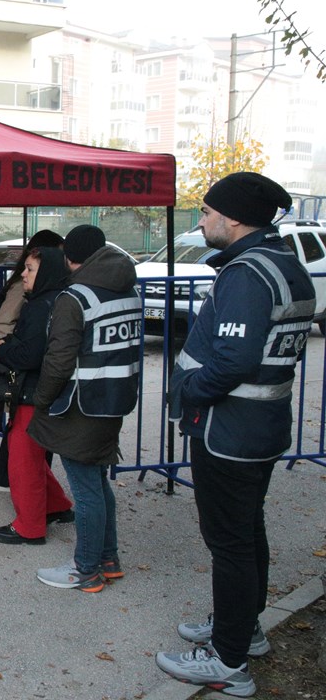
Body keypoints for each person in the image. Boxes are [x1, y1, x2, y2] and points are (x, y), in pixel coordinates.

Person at [155, 173, 312, 698]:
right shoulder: (285, 264)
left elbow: (235, 359)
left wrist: (188, 389)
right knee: (247, 532)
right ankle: (242, 628)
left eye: (207, 211)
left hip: (229, 430)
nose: (201, 221)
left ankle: (227, 661)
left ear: (235, 217)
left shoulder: (246, 274)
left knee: (231, 543)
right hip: (259, 427)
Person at [29, 224, 141, 593]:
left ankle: (86, 569)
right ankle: (108, 559)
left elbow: (59, 361)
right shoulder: (128, 289)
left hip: (80, 404)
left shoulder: (74, 297)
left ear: (69, 256)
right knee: (97, 481)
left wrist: (42, 399)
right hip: (115, 399)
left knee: (86, 488)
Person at [0, 246, 73, 545]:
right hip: (47, 389)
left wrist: (1, 348)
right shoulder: (58, 298)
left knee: (22, 458)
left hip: (34, 391)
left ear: (45, 272)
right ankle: (58, 504)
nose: (23, 274)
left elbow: (29, 355)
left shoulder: (41, 306)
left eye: (30, 269)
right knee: (31, 453)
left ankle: (30, 526)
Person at [0, 229, 65, 492]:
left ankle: (26, 485)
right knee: (22, 432)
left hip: (29, 369)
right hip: (25, 372)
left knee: (25, 435)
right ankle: (15, 483)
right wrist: (10, 346)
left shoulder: (48, 294)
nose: (24, 273)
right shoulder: (31, 293)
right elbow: (5, 322)